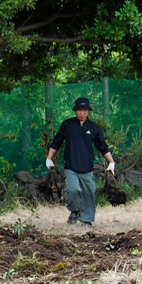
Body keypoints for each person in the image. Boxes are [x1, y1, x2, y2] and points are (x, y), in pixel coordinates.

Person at [45, 97, 115, 228]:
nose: (81, 113)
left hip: (87, 167)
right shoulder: (67, 125)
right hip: (71, 166)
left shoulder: (94, 128)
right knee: (73, 190)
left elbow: (103, 146)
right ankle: (75, 211)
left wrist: (111, 162)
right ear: (75, 111)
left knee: (89, 192)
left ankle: (86, 220)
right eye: (79, 110)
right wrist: (49, 158)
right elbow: (57, 142)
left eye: (84, 110)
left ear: (88, 111)